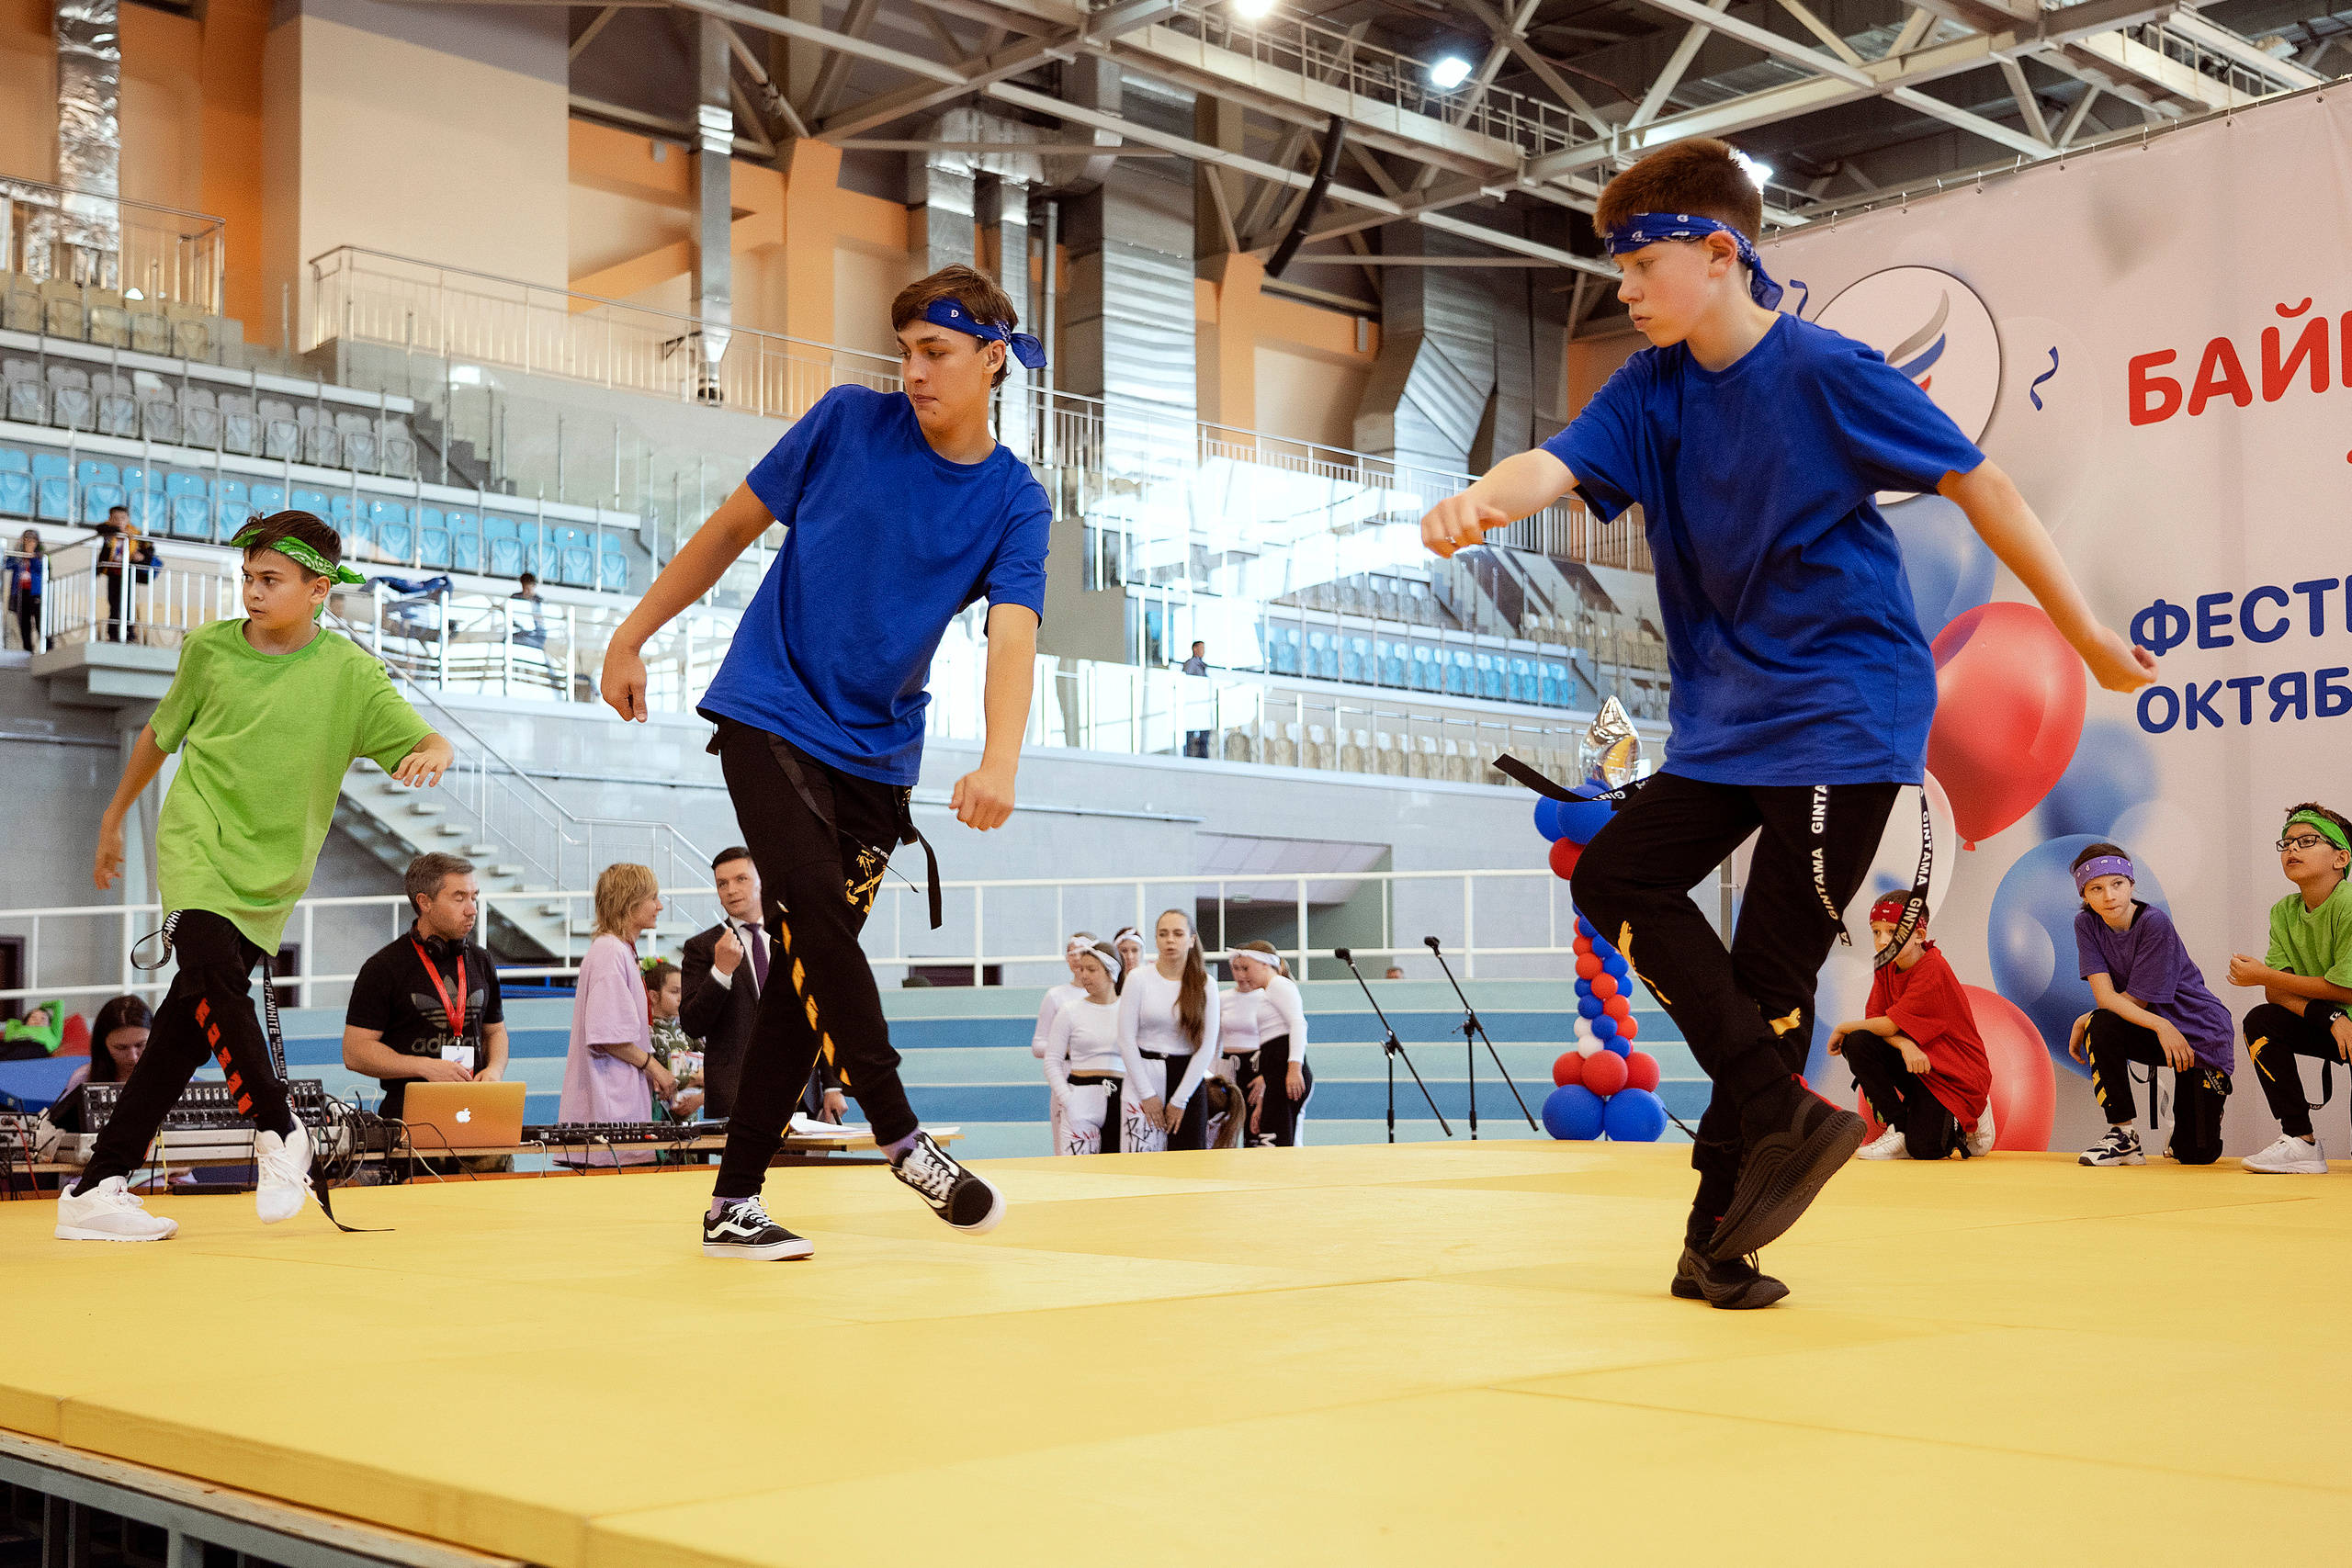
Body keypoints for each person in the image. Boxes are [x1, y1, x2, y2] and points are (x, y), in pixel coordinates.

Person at [1415, 139, 2157, 1309]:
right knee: (1615, 875)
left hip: (1841, 708)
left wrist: (2085, 634)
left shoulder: (1824, 372)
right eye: (1616, 270)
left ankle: (1715, 1243)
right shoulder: (1649, 389)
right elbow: (1548, 469)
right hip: (1726, 722)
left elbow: (1985, 486)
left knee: (1768, 982)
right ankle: (1770, 1111)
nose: (1624, 289)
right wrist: (1478, 502)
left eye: (1641, 264)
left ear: (1719, 253)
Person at [602, 262, 1046, 1260]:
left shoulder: (1015, 500)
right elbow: (731, 526)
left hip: (877, 758)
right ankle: (901, 1134)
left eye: (935, 353)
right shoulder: (848, 419)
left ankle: (733, 1203)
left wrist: (1000, 760)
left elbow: (1014, 635)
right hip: (770, 708)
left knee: (807, 975)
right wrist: (631, 634)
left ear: (992, 359)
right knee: (809, 908)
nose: (913, 372)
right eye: (905, 353)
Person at [57, 512, 450, 1242]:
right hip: (197, 845)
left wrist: (438, 750)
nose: (252, 591)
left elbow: (419, 736)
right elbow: (159, 734)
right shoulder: (209, 649)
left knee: (185, 1030)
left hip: (270, 875)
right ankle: (279, 1127)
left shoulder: (350, 674)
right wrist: (113, 817)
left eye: (270, 579)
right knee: (210, 968)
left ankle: (94, 1186)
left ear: (319, 589)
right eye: (247, 577)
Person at [2062, 842, 2236, 1167]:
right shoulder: (2086, 924)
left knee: (2196, 1154)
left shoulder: (2154, 922)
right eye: (2096, 888)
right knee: (2101, 1022)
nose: (2109, 896)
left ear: (2131, 885)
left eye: (2117, 884)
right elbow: (2105, 998)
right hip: (2155, 1028)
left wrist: (2161, 1023)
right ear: (2084, 895)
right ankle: (2123, 1135)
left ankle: (2188, 1121)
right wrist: (2094, 1018)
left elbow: (2136, 1000)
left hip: (2200, 1032)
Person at [678, 846, 845, 1123]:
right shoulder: (703, 947)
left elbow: (822, 1012)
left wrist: (832, 1086)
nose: (731, 890)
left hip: (803, 1092)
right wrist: (721, 972)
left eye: (741, 879)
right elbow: (693, 1024)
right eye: (722, 883)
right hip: (736, 1096)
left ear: (762, 881)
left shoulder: (796, 936)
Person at [2228, 803, 2352, 1174]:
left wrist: (2263, 974)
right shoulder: (2283, 911)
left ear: (2341, 858)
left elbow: (2347, 989)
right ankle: (2301, 1141)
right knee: (2262, 1021)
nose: (2292, 848)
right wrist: (2331, 1018)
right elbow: (2277, 994)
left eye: (2307, 840)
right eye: (2286, 843)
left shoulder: (2349, 905)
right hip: (2335, 1022)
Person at [341, 852, 508, 1122]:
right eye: (459, 898)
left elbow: (495, 1032)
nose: (472, 909)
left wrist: (495, 1070)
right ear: (425, 902)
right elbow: (355, 1052)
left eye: (474, 896)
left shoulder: (481, 960)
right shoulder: (384, 967)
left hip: (475, 1112)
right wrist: (425, 1067)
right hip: (409, 1121)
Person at [1826, 898, 1993, 1163]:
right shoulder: (1885, 963)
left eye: (1892, 931)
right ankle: (1899, 1128)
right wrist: (1905, 1044)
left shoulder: (1932, 967)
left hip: (1954, 1076)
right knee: (1858, 1042)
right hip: (1920, 1065)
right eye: (1876, 931)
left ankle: (1973, 1111)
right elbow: (1877, 1022)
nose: (1882, 941)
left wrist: (1842, 1026)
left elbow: (1888, 1025)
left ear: (1919, 935)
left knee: (1925, 1150)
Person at [556, 863, 674, 1166]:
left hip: (618, 1107)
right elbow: (609, 1037)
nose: (659, 906)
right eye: (653, 897)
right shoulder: (610, 951)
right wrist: (656, 1068)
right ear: (629, 901)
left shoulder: (619, 949)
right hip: (609, 1113)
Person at [1116, 908, 1220, 1152]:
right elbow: (1125, 1040)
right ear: (1156, 940)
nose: (1170, 940)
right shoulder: (1138, 979)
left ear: (1191, 940)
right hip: (1143, 1075)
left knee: (1188, 1165)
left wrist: (1180, 1099)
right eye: (1163, 934)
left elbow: (1207, 1046)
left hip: (1188, 1081)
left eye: (1178, 934)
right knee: (1141, 1162)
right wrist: (1147, 1094)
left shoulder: (1206, 984)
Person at [1042, 942, 1126, 1156]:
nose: (1084, 975)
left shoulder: (1128, 1009)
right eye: (1082, 969)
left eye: (1091, 969)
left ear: (1111, 973)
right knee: (1079, 1172)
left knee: (1120, 1170)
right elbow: (1052, 1061)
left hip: (1122, 1098)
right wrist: (1069, 1100)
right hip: (1081, 1096)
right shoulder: (1070, 1011)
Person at [1231, 942, 1312, 1148]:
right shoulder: (1268, 991)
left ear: (1265, 964)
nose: (1243, 975)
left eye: (1247, 968)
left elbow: (1298, 1023)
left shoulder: (1279, 985)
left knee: (1278, 1144)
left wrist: (1294, 1069)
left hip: (1285, 1073)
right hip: (1275, 1074)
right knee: (1268, 1141)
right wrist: (1263, 1101)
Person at [46, 995, 151, 1135]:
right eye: (121, 1048)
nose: (133, 1056)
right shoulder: (83, 1078)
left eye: (141, 1045)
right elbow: (56, 1129)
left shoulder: (174, 1077)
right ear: (103, 1045)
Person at [1032, 931, 1098, 1154]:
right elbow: (1038, 1045)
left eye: (1082, 952)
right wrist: (1068, 1048)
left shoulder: (1107, 995)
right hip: (1066, 1078)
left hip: (1100, 1080)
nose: (1076, 958)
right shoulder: (1056, 996)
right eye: (1071, 952)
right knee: (1066, 1145)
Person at [644, 960, 707, 1122]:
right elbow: (651, 1080)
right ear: (653, 996)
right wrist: (694, 1079)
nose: (681, 998)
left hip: (692, 1119)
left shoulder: (691, 1029)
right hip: (657, 1118)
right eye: (674, 992)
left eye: (683, 992)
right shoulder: (646, 1034)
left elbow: (715, 1070)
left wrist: (700, 1098)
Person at [93, 507, 155, 645]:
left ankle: (129, 632)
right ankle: (113, 633)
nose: (119, 521)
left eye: (122, 518)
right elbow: (99, 528)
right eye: (115, 518)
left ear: (128, 519)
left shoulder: (135, 533)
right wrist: (118, 530)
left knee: (128, 603)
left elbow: (149, 549)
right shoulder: (109, 531)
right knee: (113, 603)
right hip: (113, 572)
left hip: (128, 573)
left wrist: (142, 556)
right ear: (110, 519)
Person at [6, 528, 44, 653]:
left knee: (40, 622)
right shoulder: (18, 555)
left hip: (35, 593)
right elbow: (8, 565)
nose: (29, 543)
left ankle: (47, 646)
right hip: (20, 592)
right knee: (24, 623)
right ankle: (28, 649)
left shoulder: (40, 556)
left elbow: (41, 569)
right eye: (26, 540)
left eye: (32, 541)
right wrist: (17, 549)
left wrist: (32, 555)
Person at [1182, 640, 1210, 758]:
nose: (1203, 651)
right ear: (1195, 649)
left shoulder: (1202, 665)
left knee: (1204, 733)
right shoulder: (1191, 664)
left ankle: (1203, 756)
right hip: (1193, 704)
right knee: (1190, 733)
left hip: (1202, 704)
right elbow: (1186, 681)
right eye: (1201, 648)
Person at [510, 572, 548, 649]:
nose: (526, 592)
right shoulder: (516, 597)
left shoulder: (539, 601)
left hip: (534, 634)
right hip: (518, 631)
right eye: (524, 588)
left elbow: (541, 624)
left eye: (528, 589)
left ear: (534, 586)